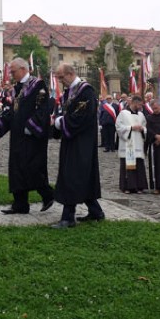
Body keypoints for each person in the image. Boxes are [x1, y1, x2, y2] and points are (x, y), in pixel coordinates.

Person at [0, 57, 55, 215]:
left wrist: (31, 127)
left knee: (33, 167)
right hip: (18, 136)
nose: (12, 75)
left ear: (23, 69)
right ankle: (20, 204)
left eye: (13, 71)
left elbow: (43, 109)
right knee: (16, 168)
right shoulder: (16, 88)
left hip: (32, 136)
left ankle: (48, 195)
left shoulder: (37, 85)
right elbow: (12, 112)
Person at [51, 63, 103, 228]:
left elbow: (80, 117)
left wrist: (59, 122)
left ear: (70, 73)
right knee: (83, 176)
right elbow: (65, 112)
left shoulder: (86, 91)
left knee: (72, 175)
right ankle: (96, 211)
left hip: (82, 141)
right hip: (72, 140)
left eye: (61, 77)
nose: (60, 81)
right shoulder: (70, 92)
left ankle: (68, 217)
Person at [116, 94, 147, 194]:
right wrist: (131, 128)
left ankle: (139, 186)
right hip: (128, 143)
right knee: (128, 165)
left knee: (139, 165)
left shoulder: (141, 115)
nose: (140, 107)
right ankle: (127, 187)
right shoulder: (123, 114)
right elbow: (118, 127)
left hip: (138, 142)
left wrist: (143, 129)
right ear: (134, 103)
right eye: (139, 105)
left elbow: (145, 127)